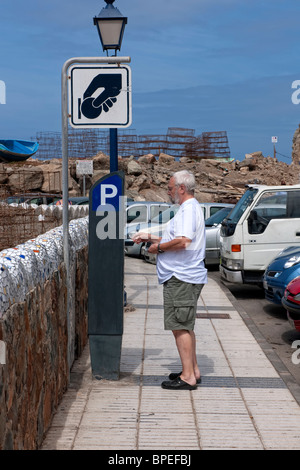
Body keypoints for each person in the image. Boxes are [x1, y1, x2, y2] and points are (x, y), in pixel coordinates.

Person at [132, 170, 207, 390]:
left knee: (180, 327)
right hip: (185, 275)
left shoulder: (187, 210)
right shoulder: (190, 208)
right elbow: (180, 238)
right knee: (186, 325)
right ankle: (192, 370)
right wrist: (150, 237)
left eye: (170, 187)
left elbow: (183, 241)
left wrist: (158, 248)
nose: (168, 191)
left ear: (182, 188)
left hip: (181, 277)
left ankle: (187, 377)